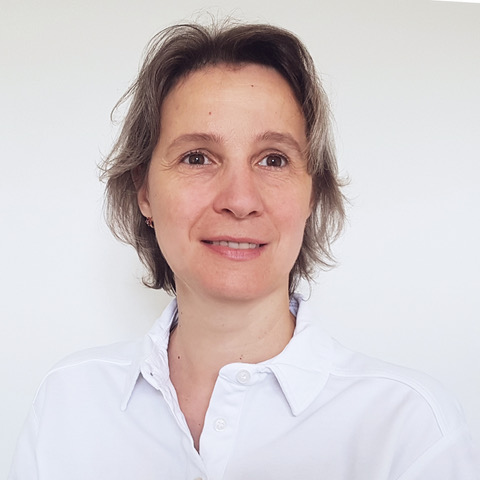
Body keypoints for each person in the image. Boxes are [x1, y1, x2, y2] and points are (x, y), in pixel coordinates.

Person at [9, 21, 478, 480]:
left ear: (312, 195)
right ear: (144, 191)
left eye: (273, 159)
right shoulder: (68, 402)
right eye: (197, 157)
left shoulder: (411, 430)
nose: (239, 199)